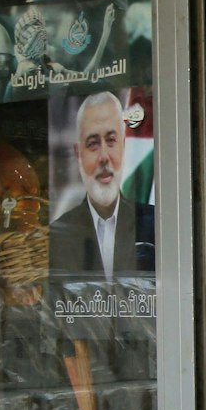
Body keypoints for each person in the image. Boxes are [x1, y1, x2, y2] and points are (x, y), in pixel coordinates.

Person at [48, 90, 154, 279]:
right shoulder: (56, 236)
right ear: (78, 153)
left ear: (123, 146)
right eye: (93, 143)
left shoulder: (154, 225)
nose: (104, 156)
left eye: (111, 141)